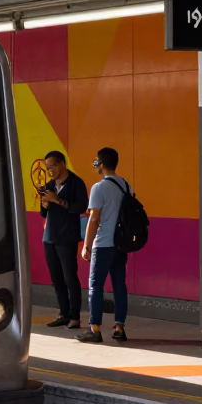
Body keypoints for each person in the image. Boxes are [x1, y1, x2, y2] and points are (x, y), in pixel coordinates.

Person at [78, 147, 130, 343]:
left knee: (95, 286)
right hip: (120, 244)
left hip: (103, 244)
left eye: (96, 161)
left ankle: (95, 329)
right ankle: (119, 327)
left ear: (100, 163)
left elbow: (94, 219)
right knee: (119, 286)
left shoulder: (98, 188)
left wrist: (86, 245)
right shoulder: (126, 185)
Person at [39, 151, 88, 329]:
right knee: (56, 278)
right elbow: (44, 213)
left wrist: (57, 200)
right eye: (47, 167)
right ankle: (63, 313)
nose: (49, 170)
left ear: (61, 164)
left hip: (67, 237)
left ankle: (75, 316)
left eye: (51, 166)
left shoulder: (76, 183)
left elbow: (81, 207)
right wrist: (45, 204)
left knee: (70, 277)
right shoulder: (49, 185)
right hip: (50, 237)